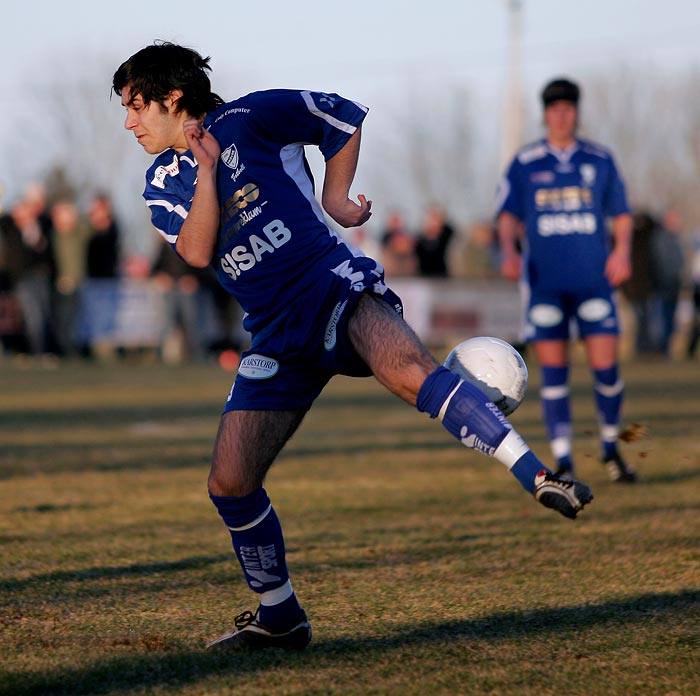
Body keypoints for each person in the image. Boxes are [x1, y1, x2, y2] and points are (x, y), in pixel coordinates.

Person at [112, 43, 593, 653]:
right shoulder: (161, 180)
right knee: (230, 482)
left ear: (172, 98)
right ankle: (280, 616)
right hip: (275, 332)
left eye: (135, 107)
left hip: (331, 285)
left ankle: (538, 474)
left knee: (408, 369)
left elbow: (341, 116)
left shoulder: (251, 118)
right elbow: (198, 251)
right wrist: (207, 173)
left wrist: (338, 199)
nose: (129, 123)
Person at [496, 77, 637, 484]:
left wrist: (622, 251)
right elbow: (508, 216)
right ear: (545, 115)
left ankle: (611, 448)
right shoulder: (526, 162)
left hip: (594, 280)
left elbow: (622, 212)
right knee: (554, 371)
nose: (562, 115)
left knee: (605, 367)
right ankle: (564, 459)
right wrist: (509, 251)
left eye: (569, 108)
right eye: (555, 108)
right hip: (546, 284)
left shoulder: (599, 159)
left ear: (576, 112)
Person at [414, 204, 455, 277]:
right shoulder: (420, 239)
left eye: (437, 217)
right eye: (431, 218)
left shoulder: (450, 237)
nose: (434, 222)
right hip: (423, 277)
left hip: (445, 277)